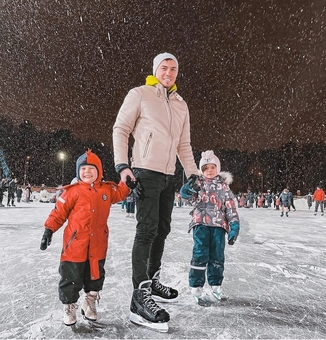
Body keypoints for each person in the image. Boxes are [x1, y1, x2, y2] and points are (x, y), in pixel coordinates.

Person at [112, 52, 199, 331]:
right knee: (146, 230)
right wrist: (123, 166)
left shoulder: (180, 104)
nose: (169, 72)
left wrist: (193, 172)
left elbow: (183, 145)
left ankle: (152, 280)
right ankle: (139, 298)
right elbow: (120, 129)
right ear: (155, 69)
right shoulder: (140, 94)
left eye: (174, 68)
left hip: (168, 175)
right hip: (145, 172)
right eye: (164, 67)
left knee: (162, 229)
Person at [39, 149, 131, 326]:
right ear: (78, 172)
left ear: (99, 171)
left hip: (97, 244)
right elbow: (59, 213)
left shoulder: (106, 189)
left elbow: (119, 193)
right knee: (70, 277)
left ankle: (89, 301)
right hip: (75, 245)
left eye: (91, 169)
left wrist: (127, 184)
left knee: (95, 275)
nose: (87, 172)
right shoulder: (72, 191)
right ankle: (69, 305)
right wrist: (48, 230)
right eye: (83, 169)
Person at [180, 150, 240, 305]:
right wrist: (186, 193)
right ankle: (196, 287)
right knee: (200, 254)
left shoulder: (224, 187)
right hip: (201, 224)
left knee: (217, 256)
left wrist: (234, 224)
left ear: (217, 168)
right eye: (206, 168)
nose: (209, 171)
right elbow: (191, 200)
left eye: (212, 167)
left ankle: (216, 285)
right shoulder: (198, 183)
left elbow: (230, 207)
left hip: (219, 225)